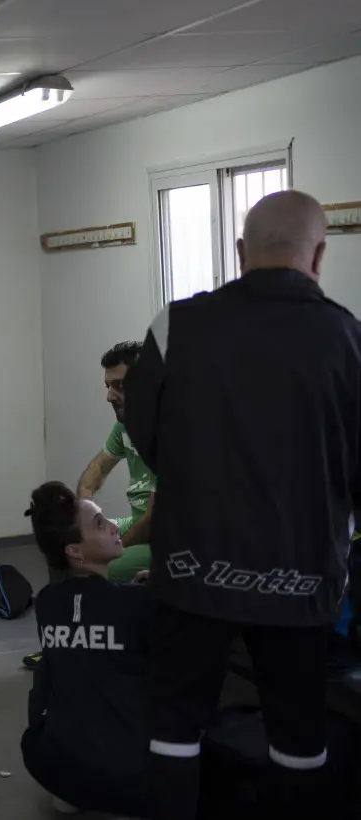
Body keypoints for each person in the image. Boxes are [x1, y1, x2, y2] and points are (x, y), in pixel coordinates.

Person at [124, 190, 360, 820]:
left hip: (194, 569)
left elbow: (145, 437)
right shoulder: (348, 337)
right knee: (298, 734)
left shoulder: (173, 325)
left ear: (238, 251)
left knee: (175, 725)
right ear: (319, 255)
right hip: (302, 574)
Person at [21, 481, 152, 818]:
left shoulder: (47, 602)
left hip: (55, 769)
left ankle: (76, 784)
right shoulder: (137, 603)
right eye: (99, 524)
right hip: (132, 781)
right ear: (75, 551)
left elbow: (93, 608)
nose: (113, 527)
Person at [75, 341, 156, 583]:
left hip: (173, 534)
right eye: (108, 386)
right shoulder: (125, 425)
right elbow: (98, 469)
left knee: (93, 566)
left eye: (120, 385)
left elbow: (155, 519)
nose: (110, 396)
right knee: (69, 546)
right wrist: (85, 512)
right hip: (138, 519)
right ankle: (70, 617)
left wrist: (108, 549)